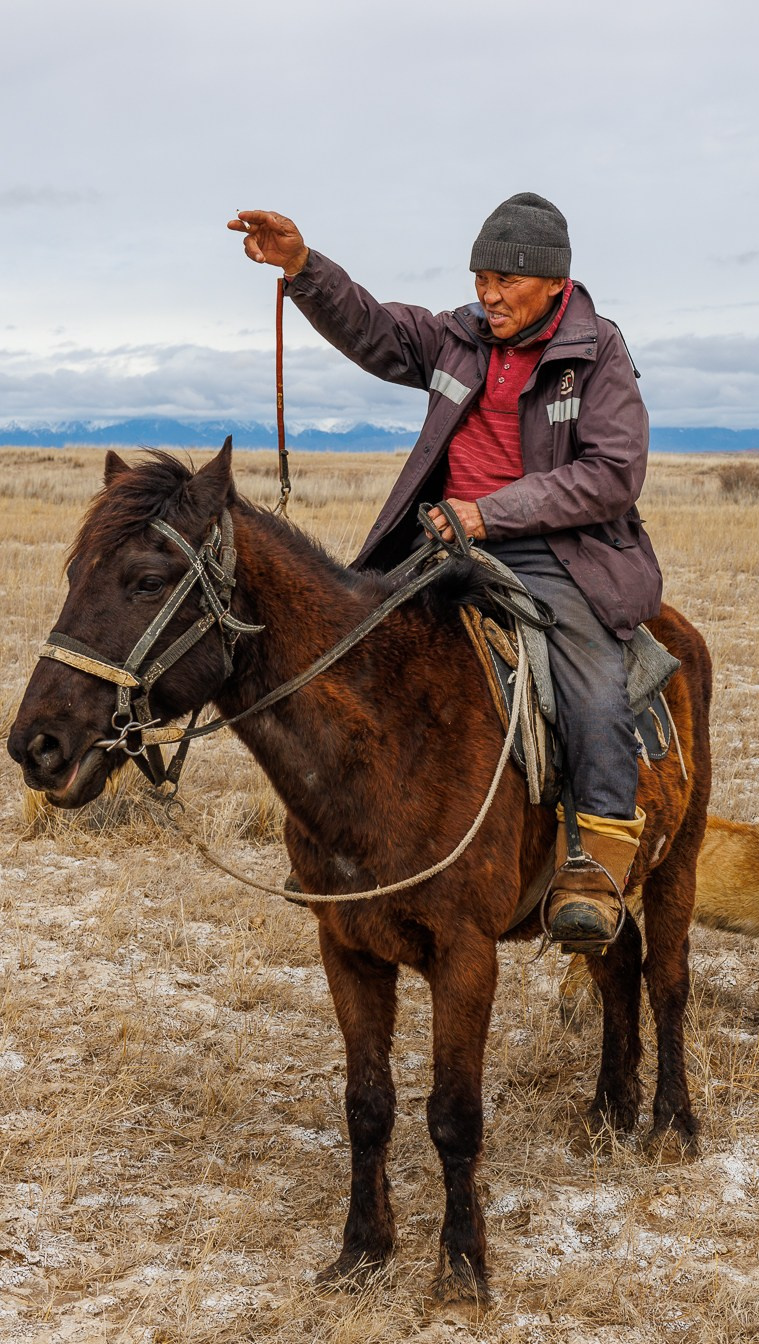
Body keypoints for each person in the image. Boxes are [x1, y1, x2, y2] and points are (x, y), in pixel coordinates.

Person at [228, 194, 662, 945]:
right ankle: (346, 845)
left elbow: (612, 474)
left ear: (555, 283)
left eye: (505, 281)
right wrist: (301, 266)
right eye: (480, 279)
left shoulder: (597, 354)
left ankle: (595, 860)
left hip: (558, 552)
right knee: (348, 651)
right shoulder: (457, 338)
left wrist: (492, 512)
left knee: (592, 683)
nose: (488, 296)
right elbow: (373, 327)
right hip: (446, 543)